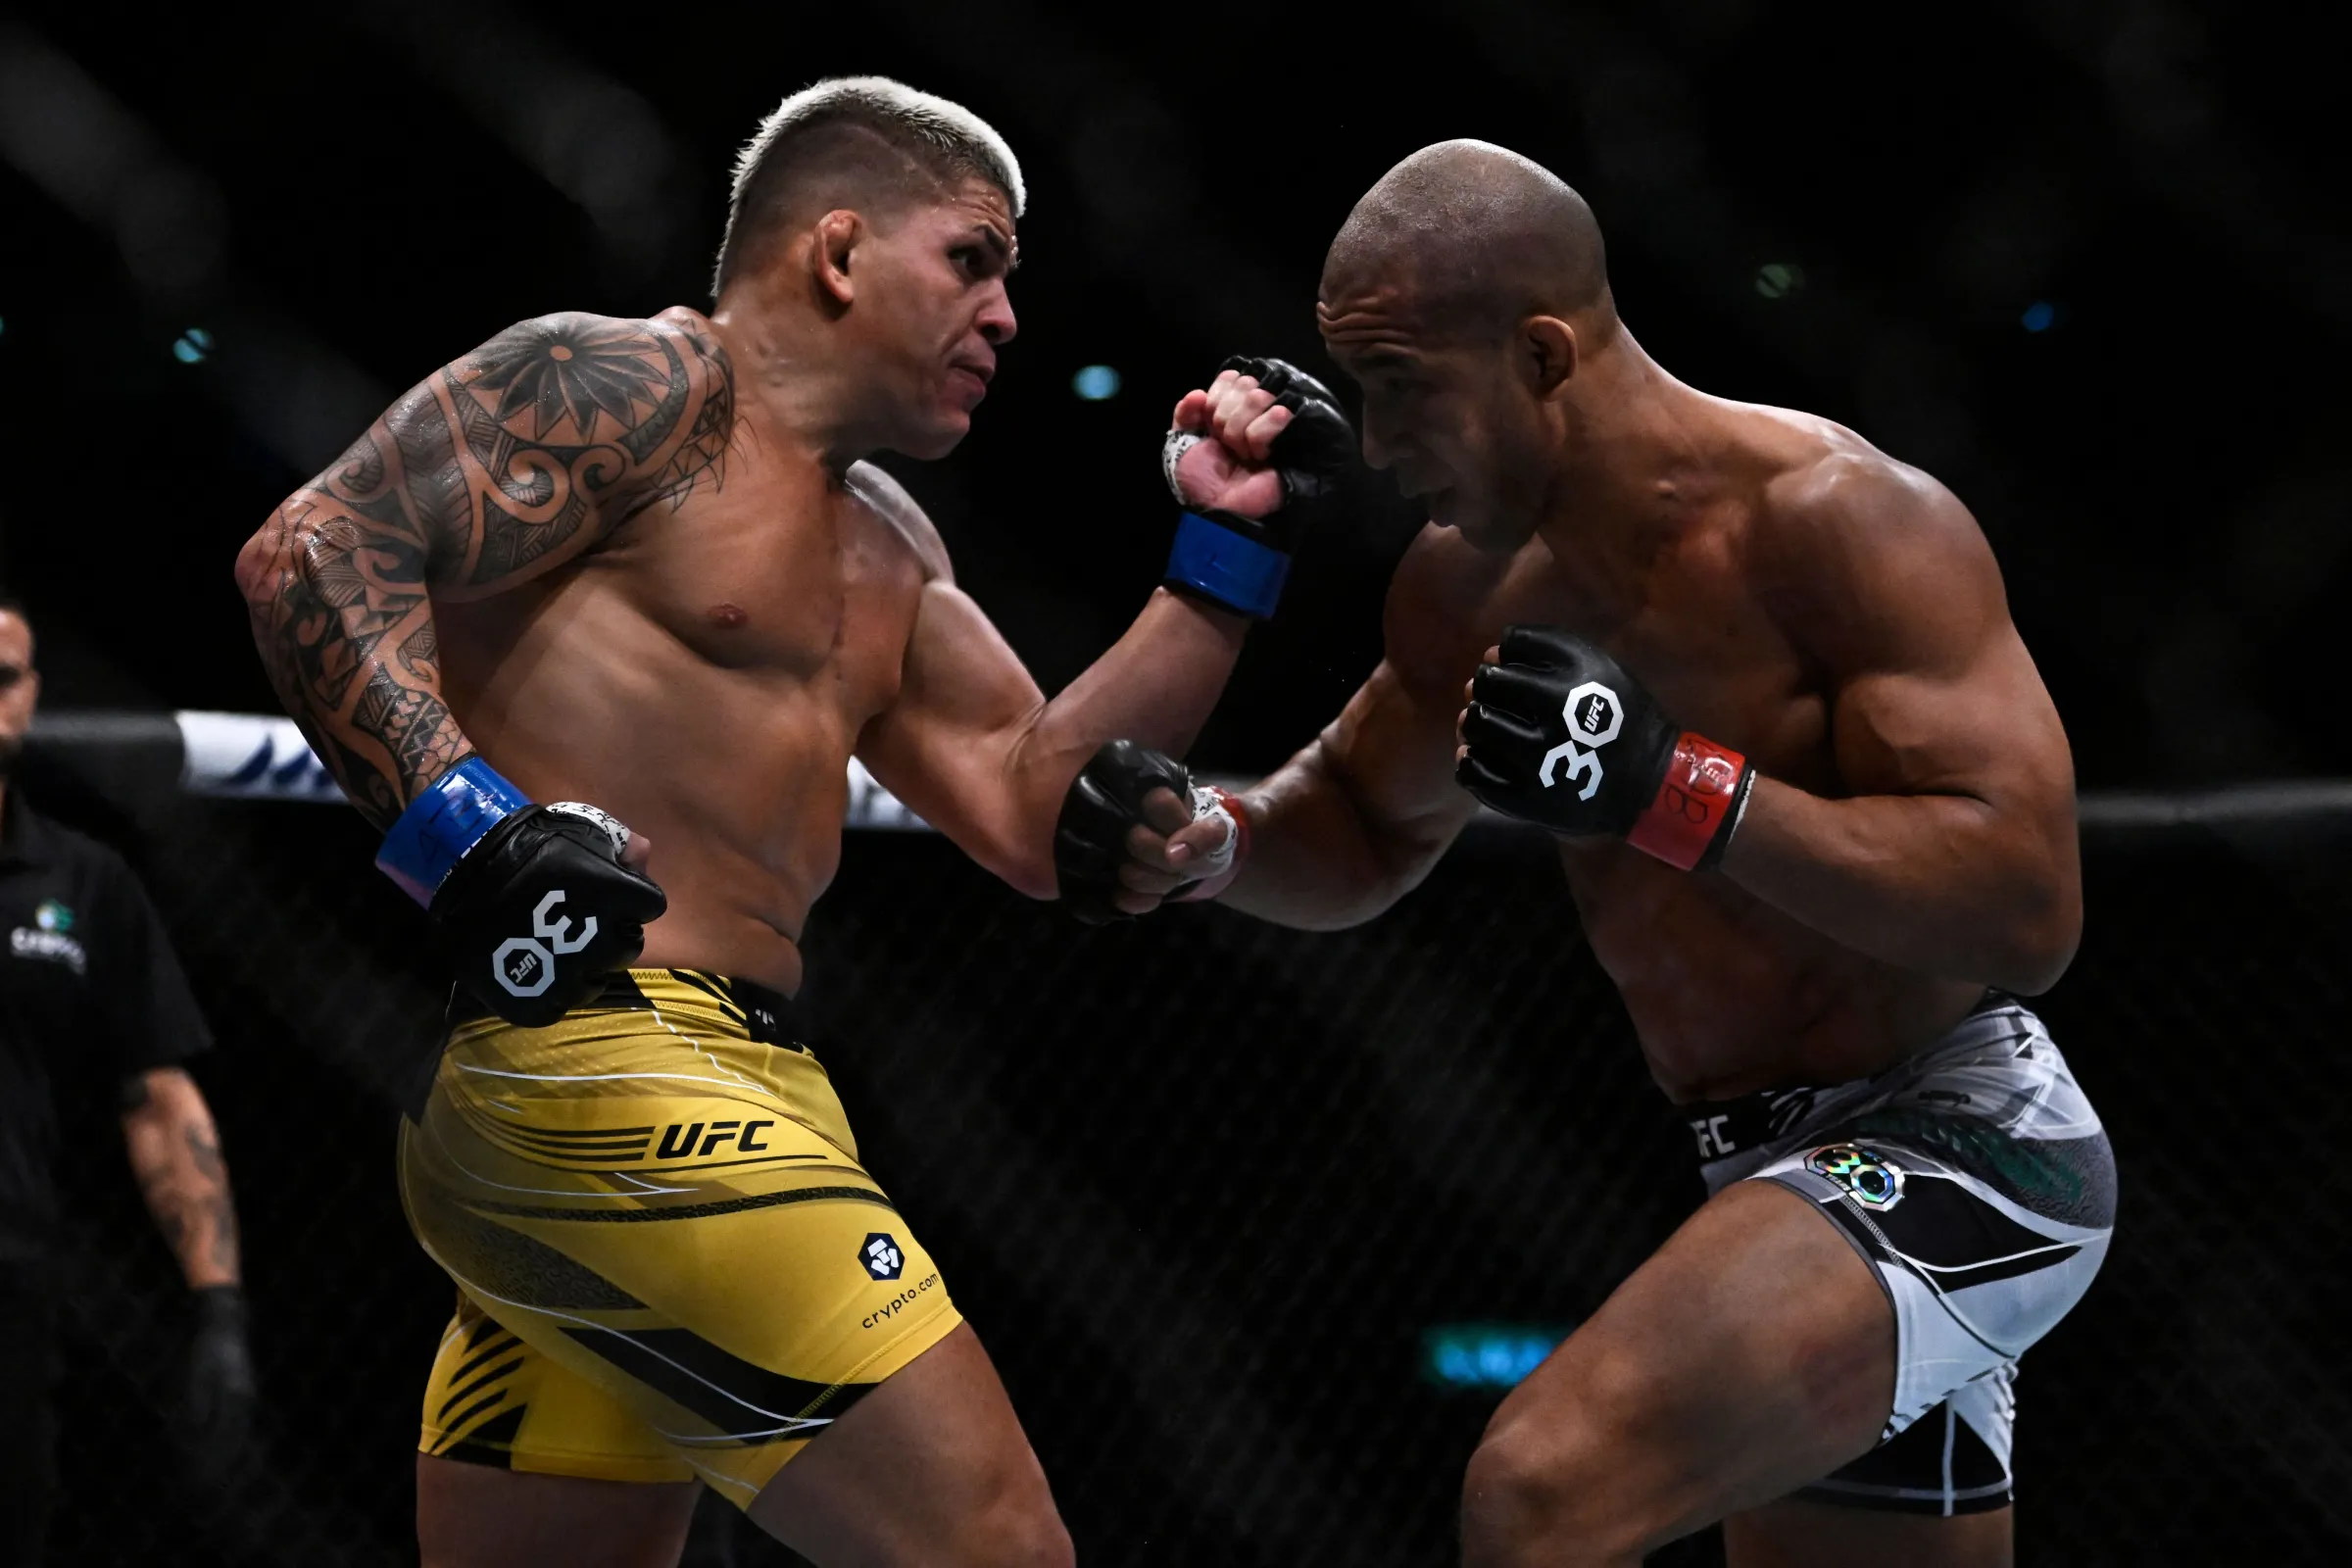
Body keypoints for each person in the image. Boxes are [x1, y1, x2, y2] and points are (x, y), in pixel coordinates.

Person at [233, 76, 1348, 1568]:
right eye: (972, 260)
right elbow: (311, 550)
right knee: (1000, 1549)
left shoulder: (889, 545)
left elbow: (1035, 808)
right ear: (838, 250)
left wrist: (1224, 555)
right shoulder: (634, 387)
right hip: (596, 1065)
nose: (1007, 315)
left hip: (740, 1084)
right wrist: (471, 827)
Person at [1077, 141, 2114, 1565]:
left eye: (1402, 388)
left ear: (1542, 353)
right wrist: (1213, 843)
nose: (1373, 446)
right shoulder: (1468, 588)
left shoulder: (1837, 519)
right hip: (1760, 1170)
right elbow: (1362, 824)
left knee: (1542, 1494)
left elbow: (2028, 907)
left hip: (1960, 1137)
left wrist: (1674, 790)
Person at [0, 594, 257, 1566]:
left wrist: (218, 1305)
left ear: (31, 694)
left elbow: (158, 1098)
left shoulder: (84, 883)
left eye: (1, 678)